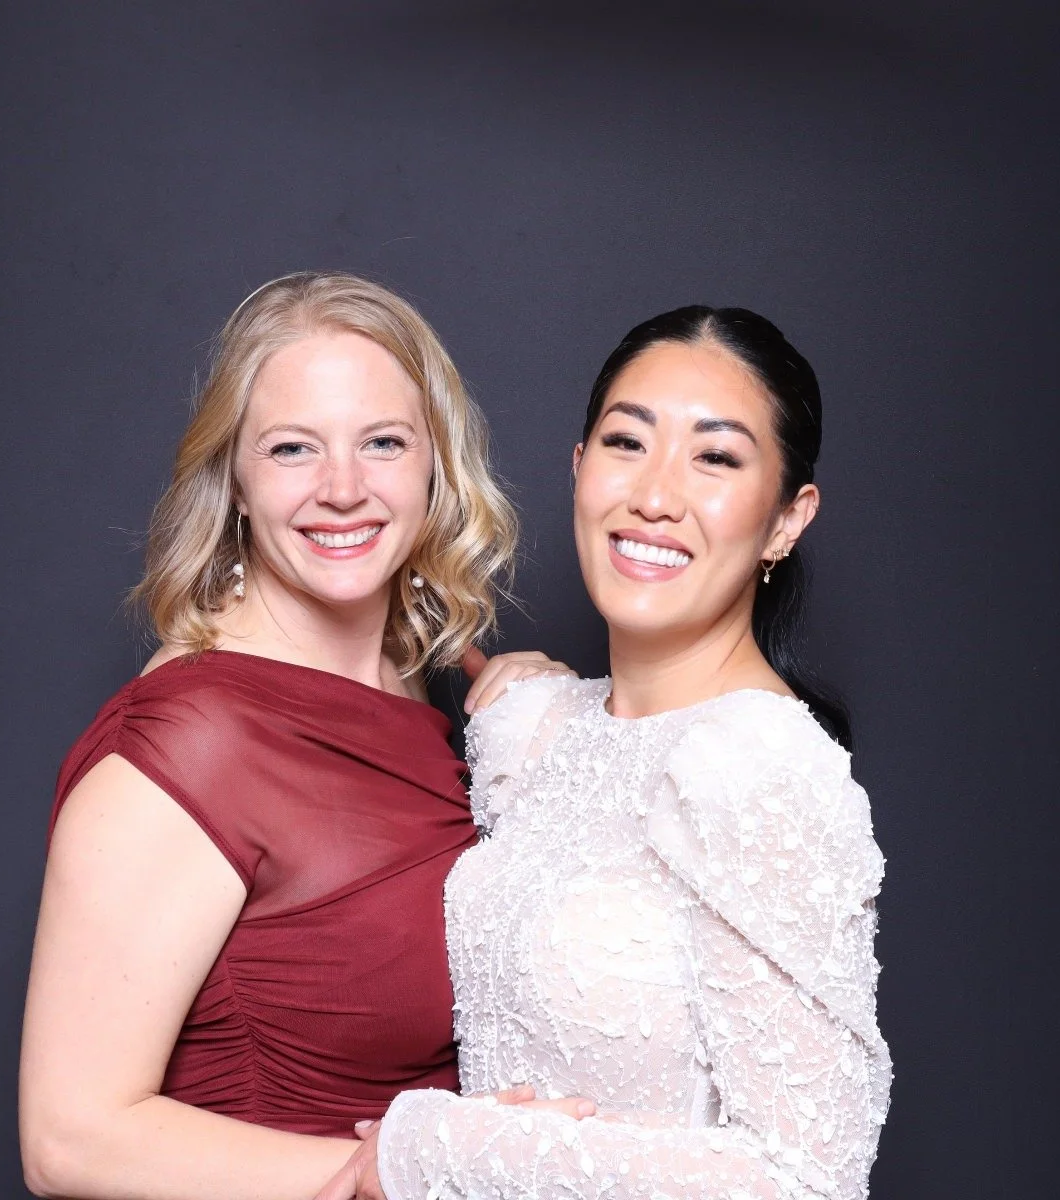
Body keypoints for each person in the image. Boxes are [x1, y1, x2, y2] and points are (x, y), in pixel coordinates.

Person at [18, 272, 580, 1200]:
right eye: (292, 449)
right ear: (234, 482)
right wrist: (425, 1172)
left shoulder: (421, 684)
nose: (344, 490)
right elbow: (68, 1139)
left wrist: (548, 722)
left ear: (434, 463)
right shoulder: (192, 739)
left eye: (383, 443)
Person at [323, 306, 892, 1199]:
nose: (655, 495)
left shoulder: (758, 769)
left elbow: (803, 1181)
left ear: (787, 518)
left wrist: (439, 1152)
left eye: (716, 457)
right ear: (581, 469)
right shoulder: (544, 731)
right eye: (628, 443)